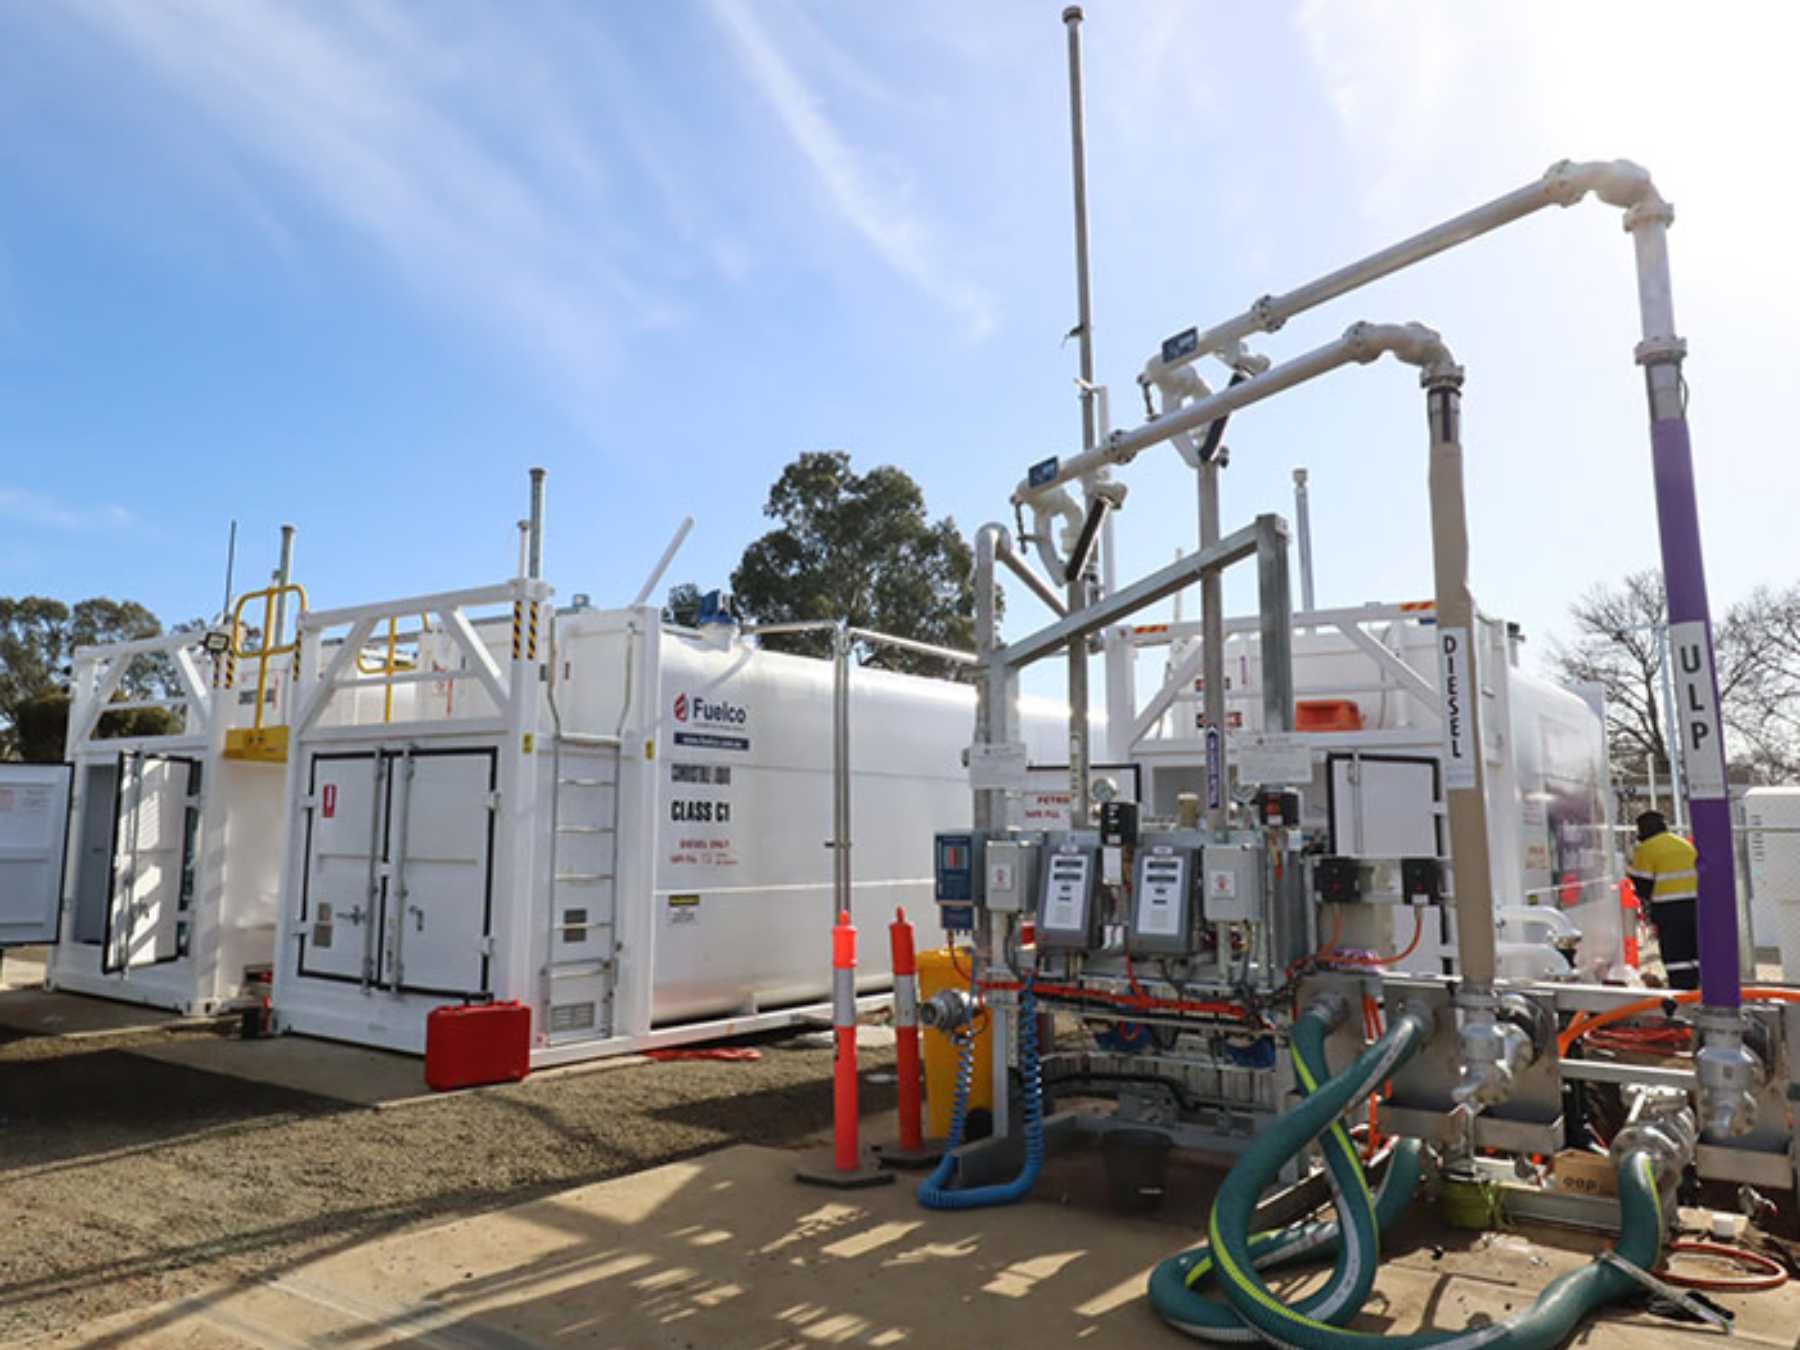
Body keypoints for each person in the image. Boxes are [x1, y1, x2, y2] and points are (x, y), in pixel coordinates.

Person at [1628, 810, 1699, 990]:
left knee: (1675, 954)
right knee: (1694, 951)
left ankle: (1681, 990)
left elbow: (1642, 885)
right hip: (1696, 906)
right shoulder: (1684, 844)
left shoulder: (1646, 849)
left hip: (1669, 909)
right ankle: (1698, 987)